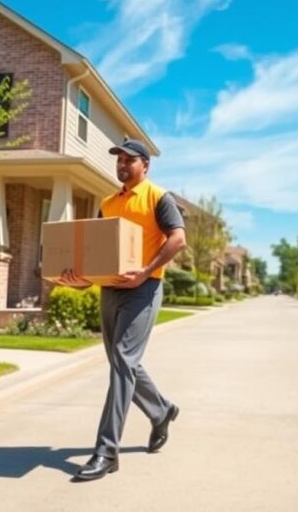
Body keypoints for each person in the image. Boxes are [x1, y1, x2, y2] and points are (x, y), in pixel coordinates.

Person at [59, 138, 187, 482]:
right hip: (111, 289)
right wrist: (80, 279)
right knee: (121, 360)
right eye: (118, 160)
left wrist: (145, 271)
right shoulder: (107, 202)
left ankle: (106, 451)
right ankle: (161, 411)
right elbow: (98, 250)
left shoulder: (159, 197)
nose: (122, 165)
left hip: (143, 289)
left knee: (123, 362)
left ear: (145, 165)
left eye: (129, 160)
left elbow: (177, 238)